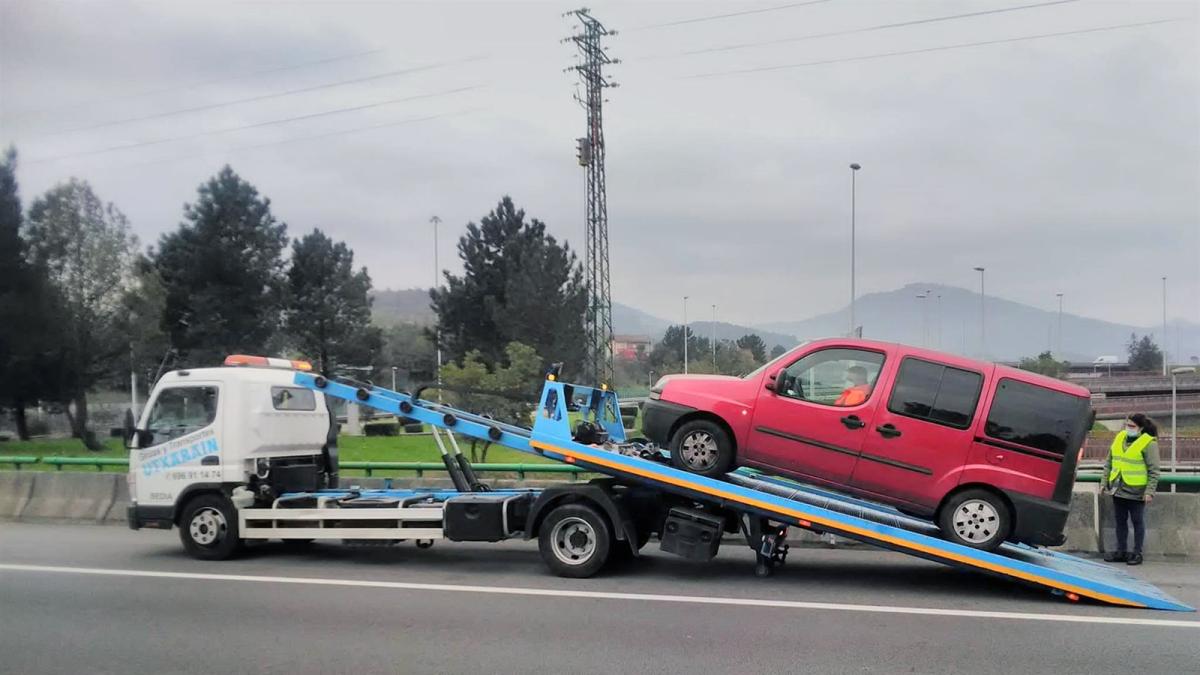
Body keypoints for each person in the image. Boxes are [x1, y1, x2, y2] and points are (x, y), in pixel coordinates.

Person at [1101, 413, 1160, 565]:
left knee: (1137, 522)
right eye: (1127, 425)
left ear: (1141, 428)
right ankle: (1121, 551)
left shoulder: (1149, 443)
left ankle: (1137, 553)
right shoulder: (1120, 437)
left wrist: (1149, 492)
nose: (1128, 428)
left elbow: (1154, 471)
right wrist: (1104, 482)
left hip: (1137, 492)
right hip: (1117, 489)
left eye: (1132, 426)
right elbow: (1109, 462)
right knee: (1120, 522)